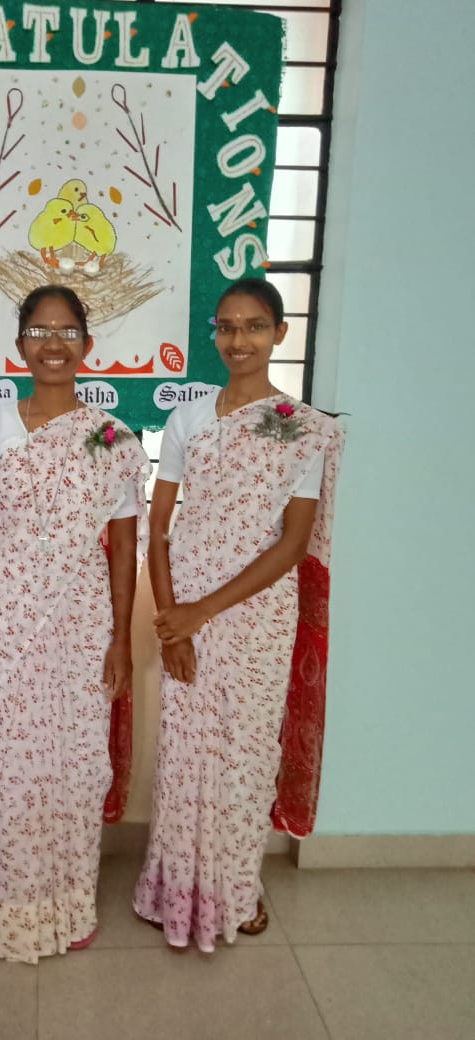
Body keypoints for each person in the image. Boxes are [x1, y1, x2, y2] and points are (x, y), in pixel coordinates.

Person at [133, 277, 344, 951]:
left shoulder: (305, 431)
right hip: (184, 608)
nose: (238, 340)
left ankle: (236, 888)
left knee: (246, 753)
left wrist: (202, 611)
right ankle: (173, 890)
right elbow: (158, 527)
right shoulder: (189, 418)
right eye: (226, 327)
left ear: (279, 333)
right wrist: (171, 618)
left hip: (255, 615)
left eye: (254, 326)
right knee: (187, 752)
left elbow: (292, 543)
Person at [0, 284, 149, 963]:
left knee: (75, 764)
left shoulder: (113, 437)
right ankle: (9, 907)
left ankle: (69, 902)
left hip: (84, 626)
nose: (53, 344)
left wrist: (122, 638)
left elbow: (125, 548)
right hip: (10, 626)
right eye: (40, 331)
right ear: (19, 347)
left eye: (67, 332)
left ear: (87, 346)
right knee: (13, 766)